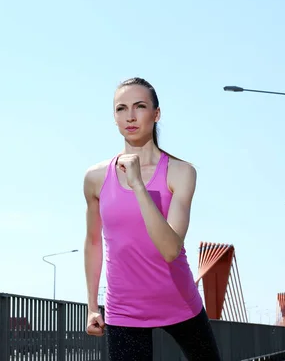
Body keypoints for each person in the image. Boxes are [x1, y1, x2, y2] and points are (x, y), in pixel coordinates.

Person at [83, 77, 221, 360]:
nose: (130, 116)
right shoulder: (95, 178)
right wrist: (92, 306)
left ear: (156, 114)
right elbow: (94, 243)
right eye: (121, 109)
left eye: (140, 106)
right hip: (124, 310)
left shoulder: (181, 172)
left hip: (180, 303)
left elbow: (171, 249)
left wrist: (138, 187)